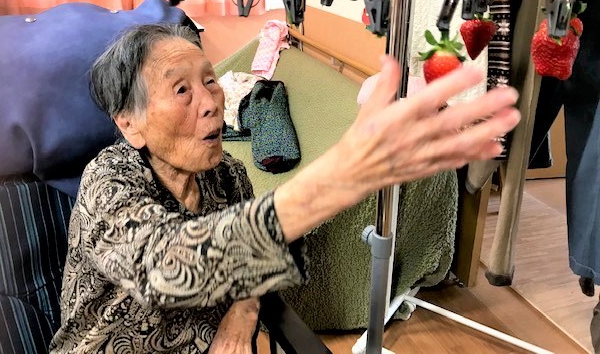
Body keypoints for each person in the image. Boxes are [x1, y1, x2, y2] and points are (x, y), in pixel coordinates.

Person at [49, 23, 520, 354]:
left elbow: (268, 259)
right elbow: (167, 266)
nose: (211, 102)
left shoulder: (226, 174)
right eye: (181, 91)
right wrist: (343, 173)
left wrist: (243, 310)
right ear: (129, 124)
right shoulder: (109, 180)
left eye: (210, 80)